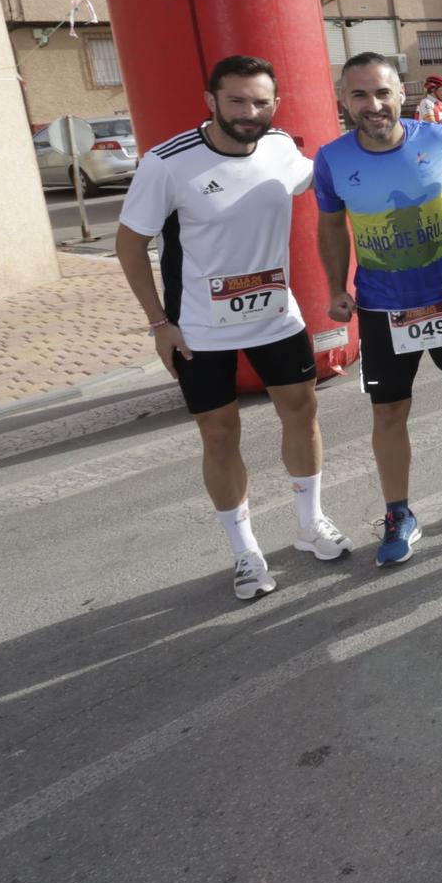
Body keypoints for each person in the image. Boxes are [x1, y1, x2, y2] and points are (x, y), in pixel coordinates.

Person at [115, 55, 348, 600]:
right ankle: (245, 552)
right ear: (211, 101)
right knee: (219, 436)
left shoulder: (280, 149)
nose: (250, 111)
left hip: (275, 316)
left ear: (276, 104)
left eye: (261, 101)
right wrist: (158, 323)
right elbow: (130, 244)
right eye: (238, 100)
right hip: (199, 328)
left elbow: (329, 181)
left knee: (302, 413)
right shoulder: (167, 163)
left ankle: (309, 524)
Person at [315, 53, 442, 567]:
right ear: (344, 99)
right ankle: (398, 512)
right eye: (359, 94)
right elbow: (330, 226)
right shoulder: (332, 158)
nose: (373, 104)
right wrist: (336, 287)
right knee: (388, 411)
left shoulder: (435, 138)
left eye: (382, 92)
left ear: (400, 94)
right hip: (382, 305)